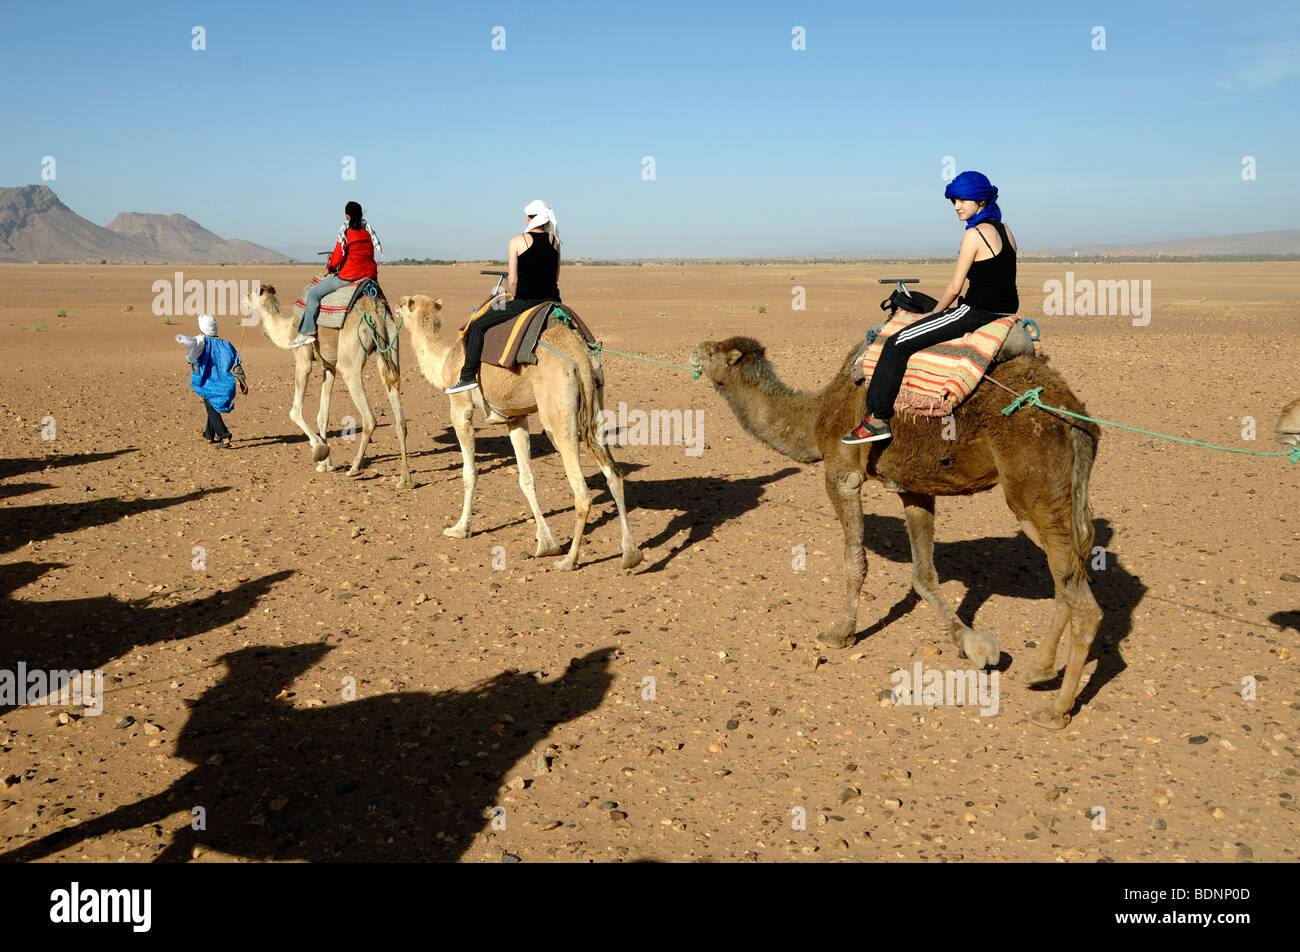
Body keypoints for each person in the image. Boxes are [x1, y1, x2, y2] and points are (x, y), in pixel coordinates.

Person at [842, 170, 1018, 444]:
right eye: (953, 201)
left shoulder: (974, 234)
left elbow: (954, 288)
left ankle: (877, 419)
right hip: (1005, 311)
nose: (956, 206)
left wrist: (933, 315)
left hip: (974, 313)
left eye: (962, 200)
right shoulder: (1006, 231)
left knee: (897, 343)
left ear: (980, 201)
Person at [448, 199, 562, 393]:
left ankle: (467, 376)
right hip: (552, 300)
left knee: (477, 325)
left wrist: (513, 297)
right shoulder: (555, 242)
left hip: (525, 302)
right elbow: (556, 276)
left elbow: (514, 279)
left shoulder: (517, 241)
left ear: (529, 218)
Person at [291, 200, 382, 347]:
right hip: (370, 275)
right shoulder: (369, 232)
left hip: (349, 276)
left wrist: (330, 268)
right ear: (360, 215)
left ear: (347, 216)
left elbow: (338, 257)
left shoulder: (346, 232)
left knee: (314, 293)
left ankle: (307, 332)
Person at [177, 313, 248, 448]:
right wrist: (242, 382)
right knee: (212, 407)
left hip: (208, 384)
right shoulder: (227, 345)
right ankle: (209, 435)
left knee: (211, 409)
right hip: (227, 385)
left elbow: (192, 360)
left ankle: (224, 436)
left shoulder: (202, 342)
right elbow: (237, 364)